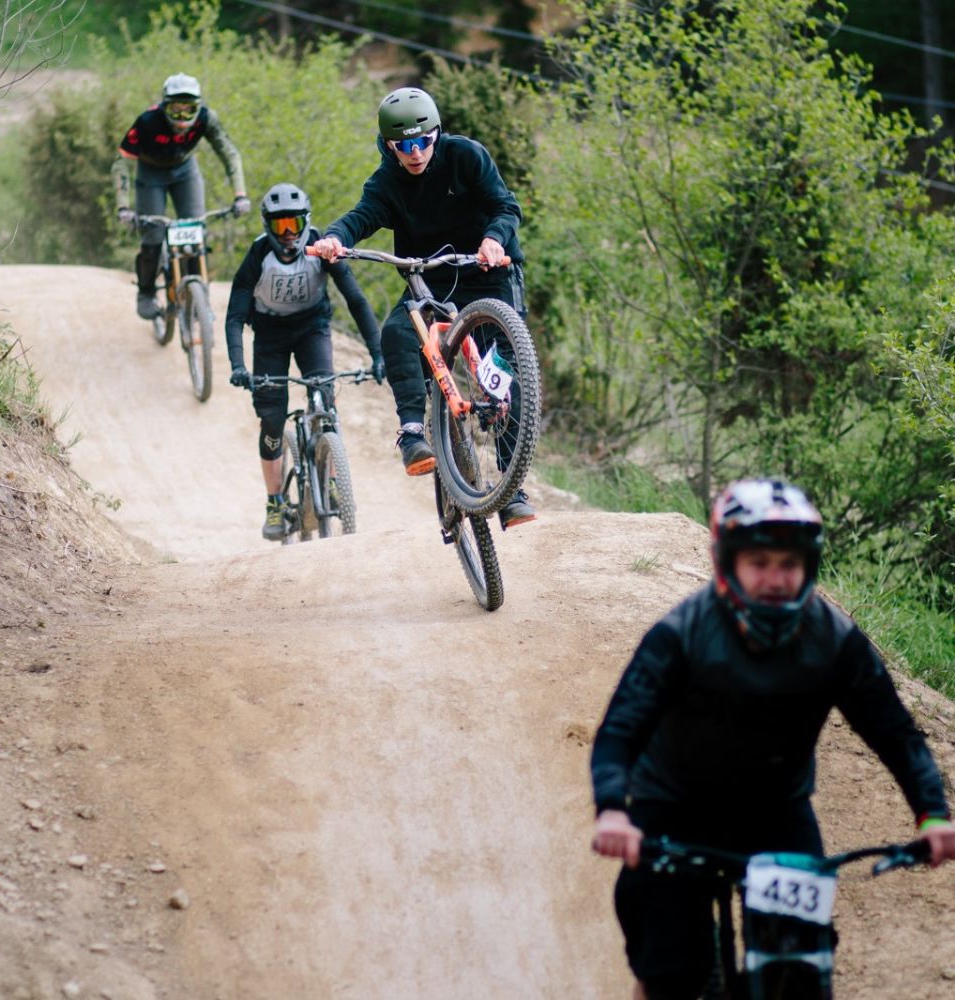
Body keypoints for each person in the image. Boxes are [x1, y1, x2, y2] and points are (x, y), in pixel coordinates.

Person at [589, 477, 955, 1000]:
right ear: (728, 563)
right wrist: (612, 810)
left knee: (801, 970)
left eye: (789, 564)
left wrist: (933, 813)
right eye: (760, 564)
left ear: (809, 566)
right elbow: (620, 729)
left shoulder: (835, 639)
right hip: (672, 808)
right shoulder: (682, 633)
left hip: (776, 811)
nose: (776, 579)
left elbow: (893, 731)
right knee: (671, 970)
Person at [310, 86, 536, 530]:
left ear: (436, 134)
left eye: (423, 142)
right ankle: (413, 431)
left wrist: (493, 238)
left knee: (506, 370)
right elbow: (362, 215)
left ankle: (513, 492)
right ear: (389, 146)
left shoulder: (466, 156)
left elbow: (505, 206)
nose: (415, 154)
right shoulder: (386, 182)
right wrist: (336, 238)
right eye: (403, 146)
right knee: (397, 331)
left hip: (486, 268)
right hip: (429, 277)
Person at [225, 183, 385, 541]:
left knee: (324, 400)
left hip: (312, 328)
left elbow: (356, 300)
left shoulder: (321, 248)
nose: (288, 234)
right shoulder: (257, 256)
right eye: (280, 226)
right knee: (271, 419)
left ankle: (330, 483)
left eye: (294, 224)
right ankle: (275, 502)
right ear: (268, 226)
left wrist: (378, 354)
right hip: (269, 335)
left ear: (306, 222)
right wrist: (239, 365)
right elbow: (235, 315)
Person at [112, 73, 251, 320]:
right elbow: (121, 163)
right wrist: (123, 207)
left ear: (199, 108)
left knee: (196, 231)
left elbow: (230, 154)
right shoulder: (147, 121)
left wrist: (240, 195)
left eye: (190, 110)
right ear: (164, 106)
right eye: (176, 110)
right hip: (151, 173)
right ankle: (145, 293)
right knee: (152, 234)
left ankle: (199, 298)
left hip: (185, 171)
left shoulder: (207, 119)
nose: (182, 118)